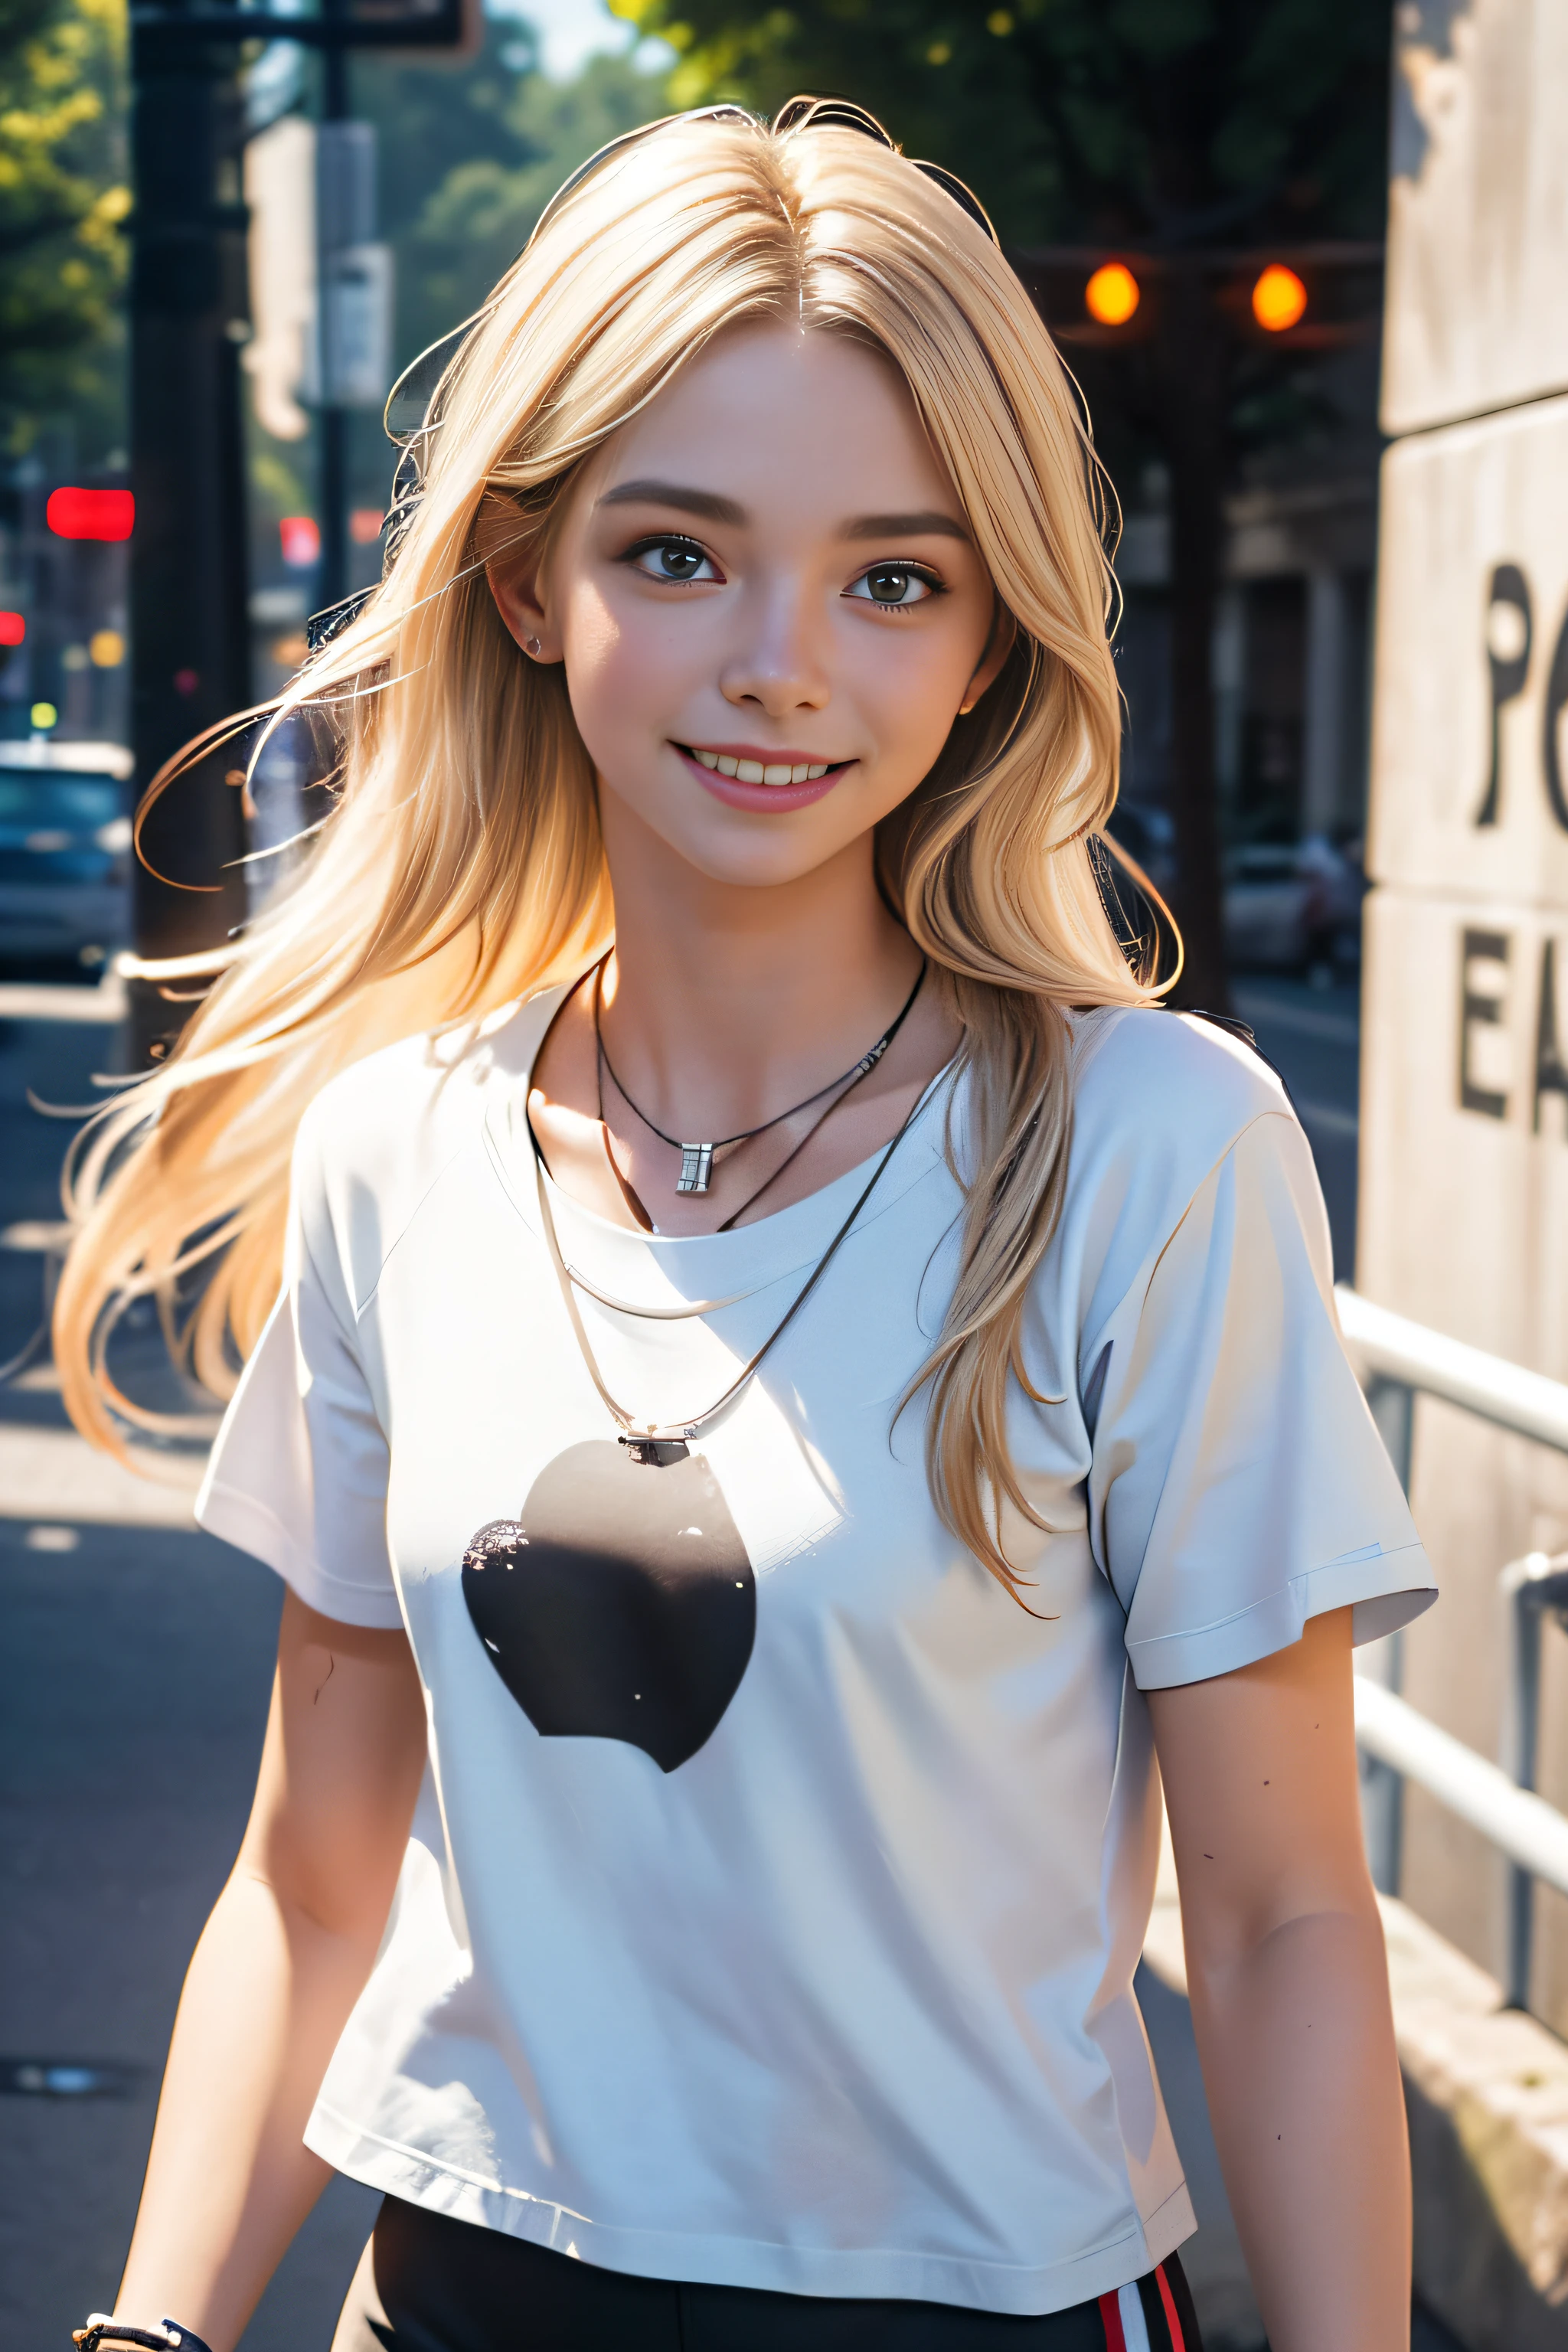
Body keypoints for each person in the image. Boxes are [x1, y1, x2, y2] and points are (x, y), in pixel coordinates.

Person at [57, 100, 1434, 2352]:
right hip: (457, 2296)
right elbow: (312, 1882)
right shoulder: (397, 1144)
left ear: (991, 640)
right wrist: (149, 2327)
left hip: (979, 2310)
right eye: (681, 553)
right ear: (525, 574)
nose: (785, 663)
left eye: (895, 576)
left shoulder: (1155, 1153)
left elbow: (1285, 1916)